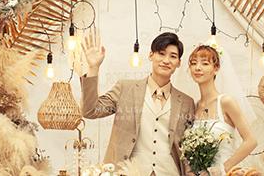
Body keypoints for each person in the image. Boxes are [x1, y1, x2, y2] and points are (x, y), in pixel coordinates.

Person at [80, 29, 196, 176]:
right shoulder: (125, 88)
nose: (166, 60)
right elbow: (90, 111)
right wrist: (93, 68)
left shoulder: (186, 102)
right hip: (128, 172)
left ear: (178, 63)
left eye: (173, 56)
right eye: (161, 53)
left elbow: (188, 149)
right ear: (150, 55)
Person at [187, 44, 257, 176]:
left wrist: (222, 168)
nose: (198, 68)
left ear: (216, 68)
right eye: (194, 63)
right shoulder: (194, 107)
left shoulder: (225, 102)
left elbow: (251, 141)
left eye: (205, 63)